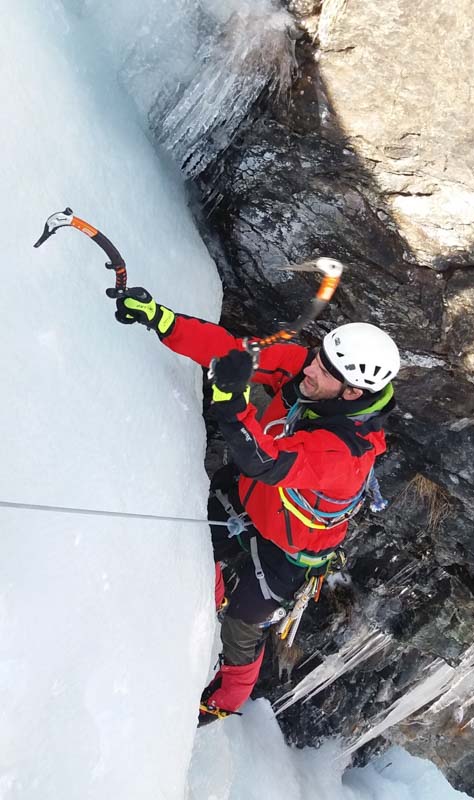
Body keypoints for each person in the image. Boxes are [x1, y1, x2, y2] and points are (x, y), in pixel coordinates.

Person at [114, 287, 400, 724]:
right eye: (316, 357)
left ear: (350, 393)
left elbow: (264, 459)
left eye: (323, 370)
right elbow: (227, 353)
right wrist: (161, 320)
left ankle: (225, 702)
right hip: (253, 500)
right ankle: (197, 600)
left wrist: (233, 405)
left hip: (289, 552)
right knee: (192, 545)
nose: (309, 367)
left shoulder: (346, 455)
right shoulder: (310, 373)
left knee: (242, 626)